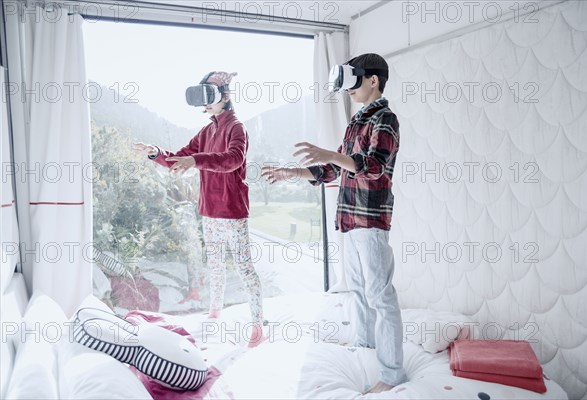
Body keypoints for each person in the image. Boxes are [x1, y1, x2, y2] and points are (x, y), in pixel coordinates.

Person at [262, 53, 407, 392]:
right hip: (349, 217)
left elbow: (372, 167)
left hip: (371, 219)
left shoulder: (385, 119)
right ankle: (362, 345)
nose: (351, 88)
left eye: (356, 79)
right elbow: (336, 168)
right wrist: (295, 172)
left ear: (374, 80)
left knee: (380, 294)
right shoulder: (356, 122)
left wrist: (331, 155)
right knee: (355, 289)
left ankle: (392, 375)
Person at [134, 71, 266, 348]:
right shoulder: (207, 131)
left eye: (208, 97)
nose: (204, 105)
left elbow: (232, 160)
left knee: (244, 269)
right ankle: (215, 312)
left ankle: (257, 325)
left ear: (225, 96)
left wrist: (194, 160)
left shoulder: (236, 128)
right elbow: (180, 159)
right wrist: (156, 153)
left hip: (232, 212)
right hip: (209, 211)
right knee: (215, 266)